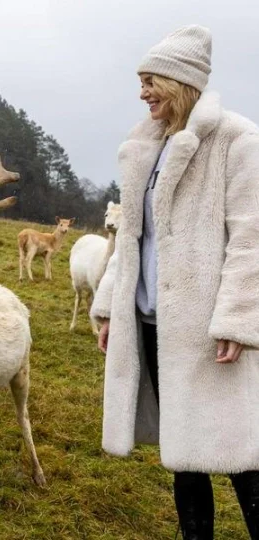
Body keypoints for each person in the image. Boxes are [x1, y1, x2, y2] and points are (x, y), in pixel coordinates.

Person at [91, 25, 259, 539]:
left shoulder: (237, 139)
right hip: (152, 323)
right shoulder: (146, 148)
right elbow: (134, 235)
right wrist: (109, 308)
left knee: (242, 457)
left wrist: (237, 317)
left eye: (150, 81)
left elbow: (251, 237)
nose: (142, 93)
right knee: (183, 453)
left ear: (180, 81)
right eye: (140, 81)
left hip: (209, 328)